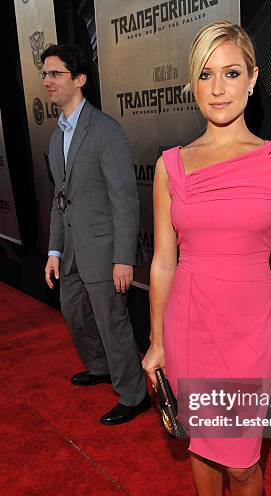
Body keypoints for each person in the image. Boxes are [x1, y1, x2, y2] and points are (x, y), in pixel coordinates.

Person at [143, 22, 271, 496]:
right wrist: (158, 341)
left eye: (231, 73)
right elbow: (162, 262)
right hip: (189, 321)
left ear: (254, 79)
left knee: (241, 458)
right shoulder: (171, 165)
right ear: (193, 85)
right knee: (202, 447)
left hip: (251, 326)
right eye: (206, 75)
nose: (219, 88)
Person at [42, 44, 148, 425]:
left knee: (110, 321)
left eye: (55, 74)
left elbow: (125, 199)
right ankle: (101, 367)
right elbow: (59, 198)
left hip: (103, 250)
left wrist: (123, 257)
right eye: (45, 74)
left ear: (79, 80)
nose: (47, 81)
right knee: (75, 314)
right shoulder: (57, 138)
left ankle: (134, 394)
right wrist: (53, 250)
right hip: (70, 249)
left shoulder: (106, 132)